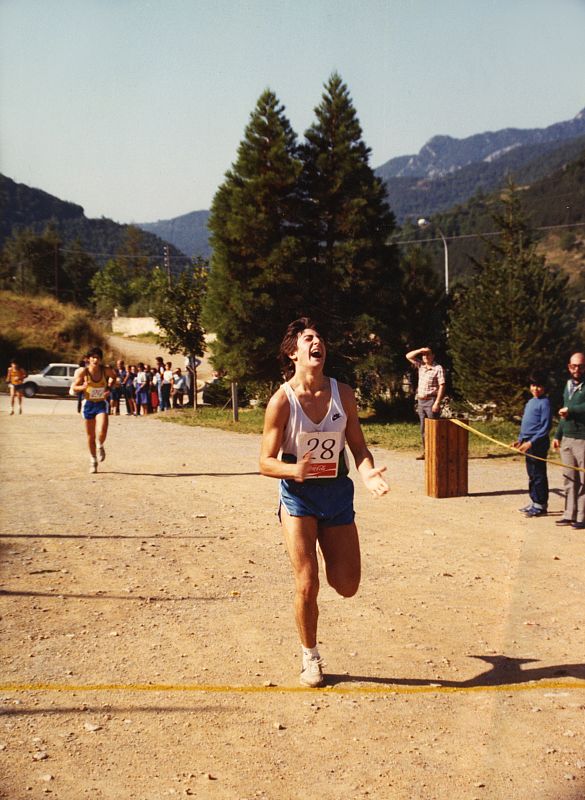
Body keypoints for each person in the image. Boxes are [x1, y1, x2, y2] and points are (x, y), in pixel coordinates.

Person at [260, 318, 389, 687]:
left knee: (347, 585)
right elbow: (264, 462)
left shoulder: (342, 393)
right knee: (307, 582)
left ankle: (331, 558)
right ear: (293, 353)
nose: (317, 342)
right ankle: (310, 657)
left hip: (336, 494)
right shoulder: (281, 401)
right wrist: (294, 470)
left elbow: (358, 447)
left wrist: (368, 474)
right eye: (308, 338)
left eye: (319, 338)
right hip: (298, 497)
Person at [71, 346, 117, 474]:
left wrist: (109, 388)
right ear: (88, 359)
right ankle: (93, 460)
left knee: (102, 429)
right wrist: (83, 387)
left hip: (101, 404)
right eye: (93, 357)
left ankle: (100, 445)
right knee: (90, 436)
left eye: (98, 358)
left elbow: (114, 377)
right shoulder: (84, 372)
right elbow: (74, 387)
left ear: (100, 359)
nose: (95, 360)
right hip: (88, 405)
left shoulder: (105, 370)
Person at [512, 371, 552, 517]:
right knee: (532, 474)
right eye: (533, 385)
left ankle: (541, 505)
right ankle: (534, 501)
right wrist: (520, 440)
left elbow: (545, 428)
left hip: (538, 444)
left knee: (538, 474)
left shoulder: (545, 403)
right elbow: (526, 424)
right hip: (528, 442)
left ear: (545, 387)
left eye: (539, 386)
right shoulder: (531, 402)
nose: (536, 389)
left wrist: (531, 443)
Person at [553, 352, 585, 530]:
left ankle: (582, 516)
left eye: (580, 366)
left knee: (583, 480)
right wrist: (557, 435)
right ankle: (569, 514)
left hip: (582, 439)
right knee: (569, 478)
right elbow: (563, 414)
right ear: (569, 367)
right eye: (574, 366)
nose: (577, 369)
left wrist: (571, 410)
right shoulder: (567, 385)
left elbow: (574, 409)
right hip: (567, 438)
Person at [405, 346, 446, 459]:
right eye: (424, 355)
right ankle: (426, 452)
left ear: (433, 356)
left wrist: (437, 402)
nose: (426, 357)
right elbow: (408, 356)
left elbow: (442, 386)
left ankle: (437, 452)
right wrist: (420, 350)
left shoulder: (438, 368)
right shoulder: (421, 366)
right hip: (421, 401)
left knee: (434, 428)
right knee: (423, 429)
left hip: (431, 401)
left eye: (428, 354)